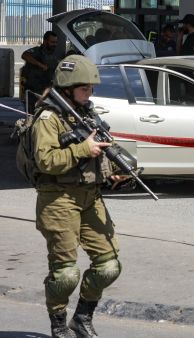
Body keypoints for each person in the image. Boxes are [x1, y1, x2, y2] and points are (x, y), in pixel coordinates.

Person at [31, 54, 127, 338]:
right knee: (65, 273)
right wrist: (83, 150)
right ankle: (59, 325)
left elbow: (100, 150)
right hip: (58, 198)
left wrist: (114, 172)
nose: (89, 94)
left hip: (90, 195)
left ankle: (82, 318)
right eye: (84, 89)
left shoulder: (86, 114)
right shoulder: (48, 118)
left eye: (91, 89)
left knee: (109, 265)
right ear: (67, 87)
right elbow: (46, 161)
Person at [21, 31, 64, 114]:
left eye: (56, 42)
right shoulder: (37, 51)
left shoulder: (55, 55)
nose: (54, 44)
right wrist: (40, 65)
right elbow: (24, 55)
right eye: (52, 42)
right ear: (45, 41)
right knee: (32, 115)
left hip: (47, 92)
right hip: (33, 92)